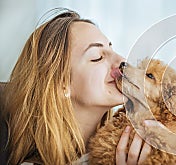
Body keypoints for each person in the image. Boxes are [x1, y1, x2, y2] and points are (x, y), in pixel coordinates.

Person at [1, 9, 159, 164]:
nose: (121, 60)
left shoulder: (136, 144)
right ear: (62, 85)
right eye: (97, 57)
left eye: (111, 48)